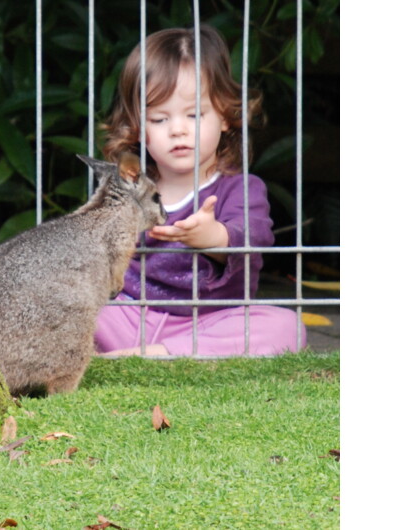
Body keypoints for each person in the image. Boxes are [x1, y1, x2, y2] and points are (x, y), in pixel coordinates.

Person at [93, 25, 305, 357]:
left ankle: (157, 355)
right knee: (64, 305)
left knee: (285, 327)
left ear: (224, 115)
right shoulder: (127, 189)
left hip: (212, 321)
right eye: (160, 119)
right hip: (129, 316)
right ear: (137, 127)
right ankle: (128, 352)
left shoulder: (242, 188)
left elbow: (254, 238)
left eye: (194, 114)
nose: (178, 130)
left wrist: (216, 237)